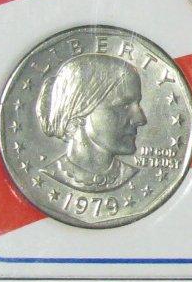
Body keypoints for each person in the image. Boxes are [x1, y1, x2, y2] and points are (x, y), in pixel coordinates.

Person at [38, 54, 147, 191]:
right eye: (124, 106)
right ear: (79, 111)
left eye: (137, 104)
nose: (140, 119)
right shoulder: (49, 176)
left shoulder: (133, 176)